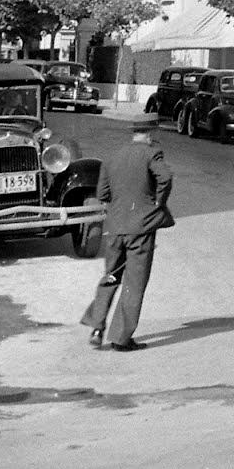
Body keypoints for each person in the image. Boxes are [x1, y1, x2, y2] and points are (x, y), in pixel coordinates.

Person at [80, 114, 174, 351]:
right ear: (151, 133)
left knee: (110, 276)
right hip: (140, 228)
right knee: (134, 281)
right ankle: (121, 339)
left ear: (134, 132)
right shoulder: (152, 153)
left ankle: (97, 326)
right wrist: (157, 204)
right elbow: (166, 177)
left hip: (114, 227)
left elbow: (102, 194)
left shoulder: (113, 157)